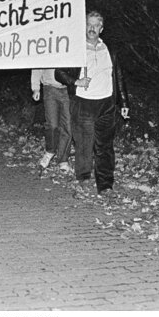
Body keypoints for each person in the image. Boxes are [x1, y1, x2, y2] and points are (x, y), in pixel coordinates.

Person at [55, 11, 130, 197]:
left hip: (106, 103)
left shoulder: (109, 50)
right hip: (84, 103)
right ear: (84, 26)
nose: (92, 28)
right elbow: (58, 72)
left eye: (96, 25)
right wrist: (75, 82)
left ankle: (105, 185)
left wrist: (124, 102)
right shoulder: (76, 49)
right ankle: (84, 180)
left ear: (101, 29)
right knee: (84, 145)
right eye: (89, 24)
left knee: (105, 146)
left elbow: (118, 76)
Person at [31, 68, 72, 173]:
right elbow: (37, 66)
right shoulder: (47, 51)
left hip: (68, 89)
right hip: (50, 88)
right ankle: (50, 151)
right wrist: (36, 88)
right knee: (52, 124)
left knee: (68, 126)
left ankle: (63, 159)